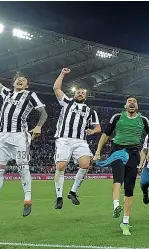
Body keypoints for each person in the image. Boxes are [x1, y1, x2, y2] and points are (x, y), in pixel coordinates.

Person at [0, 54, 48, 218]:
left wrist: (38, 126)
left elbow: (43, 113)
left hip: (19, 137)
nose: (20, 81)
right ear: (13, 82)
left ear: (27, 84)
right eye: (18, 79)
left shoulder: (30, 95)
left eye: (23, 80)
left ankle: (28, 200)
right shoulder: (6, 93)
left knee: (22, 166)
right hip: (2, 136)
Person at [94, 96, 149, 236]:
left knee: (129, 187)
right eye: (129, 101)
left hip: (134, 153)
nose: (132, 103)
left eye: (134, 101)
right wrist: (98, 151)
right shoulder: (117, 117)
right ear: (125, 105)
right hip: (118, 151)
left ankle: (125, 222)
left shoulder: (143, 120)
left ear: (137, 106)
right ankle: (116, 204)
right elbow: (106, 134)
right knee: (118, 178)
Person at [52, 68, 101, 209]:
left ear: (86, 96)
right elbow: (56, 88)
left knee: (86, 164)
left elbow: (98, 128)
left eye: (82, 93)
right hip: (64, 138)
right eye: (78, 92)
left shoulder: (90, 111)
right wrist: (62, 74)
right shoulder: (66, 102)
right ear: (74, 94)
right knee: (61, 166)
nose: (80, 94)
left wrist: (92, 131)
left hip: (80, 141)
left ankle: (72, 192)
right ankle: (59, 197)